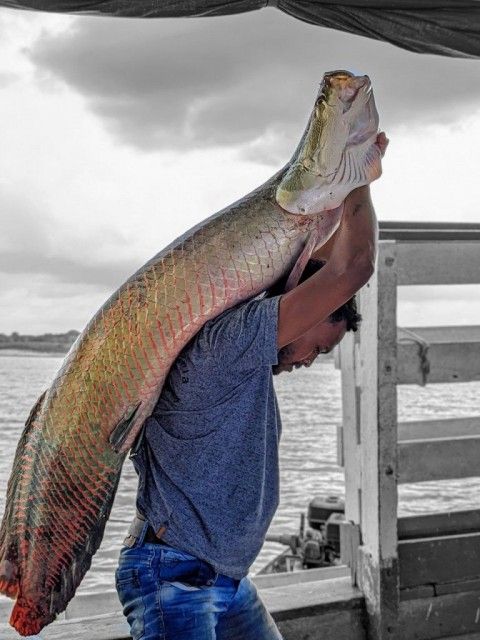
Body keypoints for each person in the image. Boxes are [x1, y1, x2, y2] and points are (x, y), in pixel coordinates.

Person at [115, 134, 385, 640]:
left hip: (222, 577)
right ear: (305, 305)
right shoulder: (233, 340)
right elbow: (353, 268)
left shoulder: (247, 364)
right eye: (319, 348)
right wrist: (359, 176)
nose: (308, 361)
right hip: (174, 576)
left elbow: (326, 254)